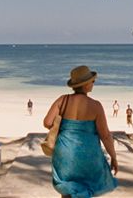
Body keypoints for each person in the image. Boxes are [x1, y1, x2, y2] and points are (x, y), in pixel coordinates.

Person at [43, 65, 117, 197]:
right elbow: (105, 135)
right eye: (92, 81)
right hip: (88, 154)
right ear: (85, 85)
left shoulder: (63, 100)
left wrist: (64, 128)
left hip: (64, 151)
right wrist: (113, 157)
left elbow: (47, 122)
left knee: (68, 190)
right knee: (86, 188)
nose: (93, 83)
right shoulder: (96, 106)